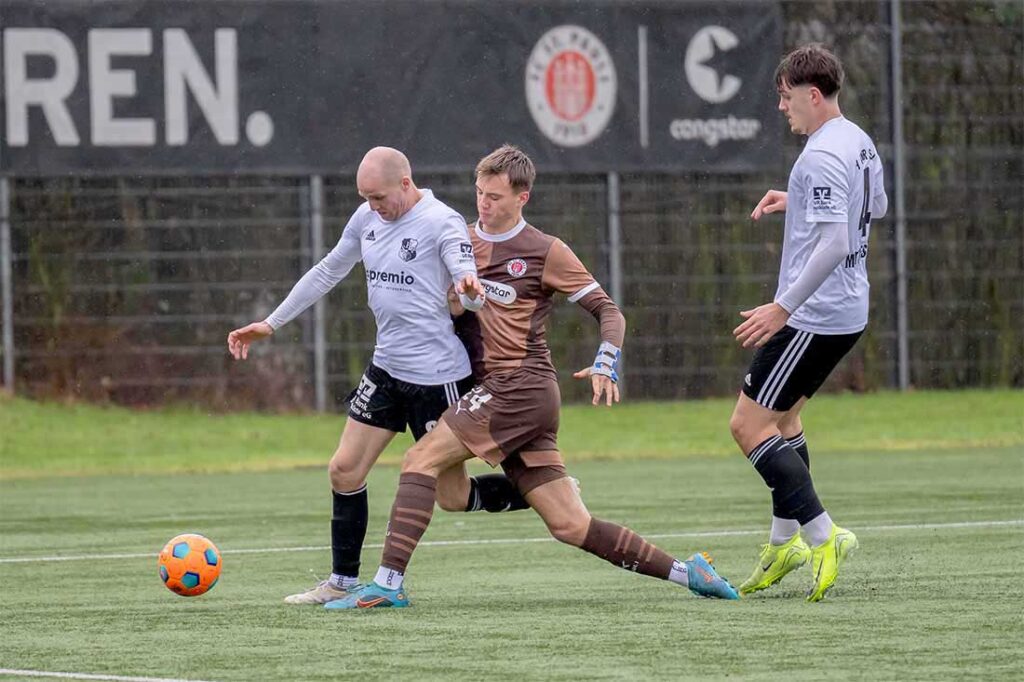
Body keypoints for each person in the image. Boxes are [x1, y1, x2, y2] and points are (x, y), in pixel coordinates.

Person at [326, 144, 739, 609]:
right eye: (480, 193)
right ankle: (689, 573)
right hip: (499, 394)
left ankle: (387, 585)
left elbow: (608, 310)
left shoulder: (545, 250)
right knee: (568, 525)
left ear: (522, 198)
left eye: (496, 196)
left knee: (419, 461)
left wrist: (607, 359)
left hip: (518, 386)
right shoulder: (452, 236)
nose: (484, 203)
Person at [226, 147, 529, 605]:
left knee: (451, 496)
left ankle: (536, 489)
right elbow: (329, 269)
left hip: (438, 380)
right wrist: (272, 323)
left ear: (406, 184)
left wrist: (469, 291)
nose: (373, 207)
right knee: (344, 470)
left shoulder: (441, 222)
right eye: (365, 198)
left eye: (379, 197)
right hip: (386, 369)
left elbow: (468, 284)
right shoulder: (366, 217)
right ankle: (340, 582)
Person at [730, 44, 888, 601]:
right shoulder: (858, 141)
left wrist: (783, 307)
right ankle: (783, 542)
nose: (782, 108)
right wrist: (797, 201)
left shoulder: (820, 155)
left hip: (814, 316)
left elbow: (837, 238)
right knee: (786, 420)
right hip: (848, 311)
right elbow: (874, 210)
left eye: (786, 97)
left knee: (747, 427)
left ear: (812, 95)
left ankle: (822, 535)